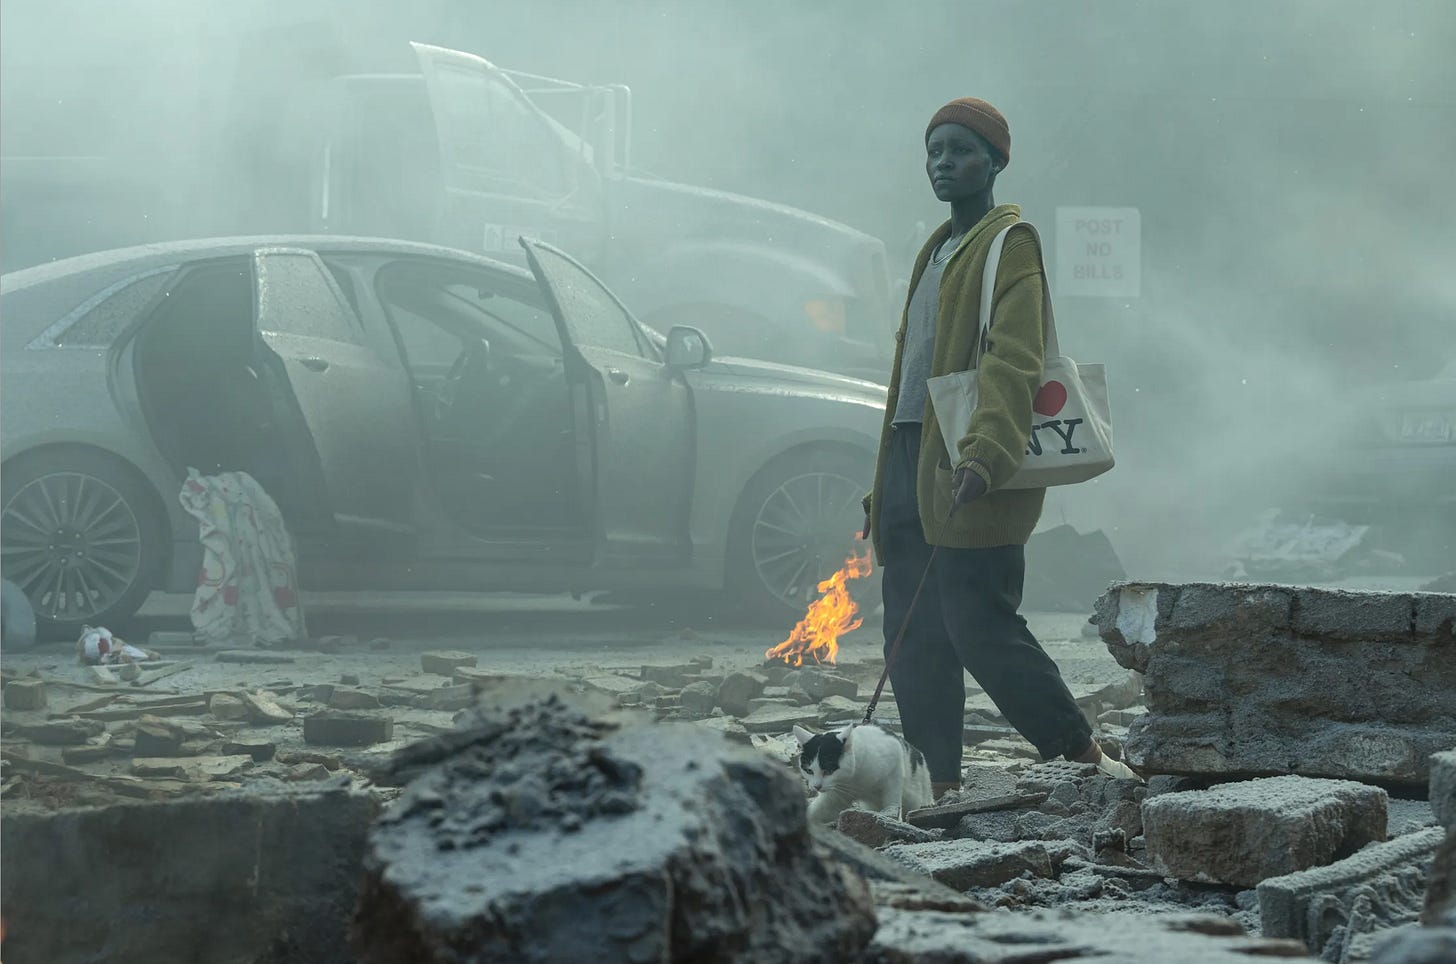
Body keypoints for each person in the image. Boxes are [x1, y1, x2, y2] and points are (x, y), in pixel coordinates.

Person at [861, 97, 1137, 799]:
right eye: (933, 152)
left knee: (978, 622)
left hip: (967, 455)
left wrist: (986, 453)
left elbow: (1016, 359)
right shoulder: (934, 247)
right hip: (908, 458)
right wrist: (883, 483)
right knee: (914, 631)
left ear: (995, 161)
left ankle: (1074, 746)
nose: (942, 163)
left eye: (959, 150)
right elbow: (909, 374)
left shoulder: (1009, 243)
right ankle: (934, 782)